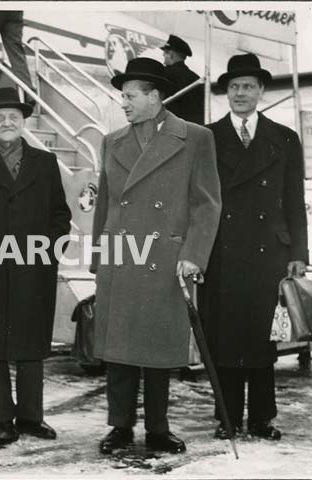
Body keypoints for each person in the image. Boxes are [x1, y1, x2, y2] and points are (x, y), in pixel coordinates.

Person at [90, 57, 221, 454]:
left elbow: (207, 204)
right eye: (122, 97)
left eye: (130, 96)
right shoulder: (112, 140)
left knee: (159, 350)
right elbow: (106, 203)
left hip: (165, 258)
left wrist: (194, 255)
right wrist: (99, 255)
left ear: (154, 96)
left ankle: (158, 429)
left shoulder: (195, 137)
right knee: (119, 351)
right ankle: (120, 427)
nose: (124, 104)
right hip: (121, 255)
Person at [199, 53, 308, 441]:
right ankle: (226, 417)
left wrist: (299, 253)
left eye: (248, 86)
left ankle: (262, 417)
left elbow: (295, 199)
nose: (240, 94)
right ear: (226, 93)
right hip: (220, 251)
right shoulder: (207, 137)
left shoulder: (284, 138)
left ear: (261, 90)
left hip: (269, 252)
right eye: (233, 88)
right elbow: (197, 200)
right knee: (224, 336)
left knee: (263, 337)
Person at [0, 87, 72, 445]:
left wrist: (49, 253)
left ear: (23, 122)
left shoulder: (44, 162)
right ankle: (1, 420)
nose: (6, 122)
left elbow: (60, 214)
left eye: (13, 117)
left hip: (33, 268)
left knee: (31, 344)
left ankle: (30, 417)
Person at [160, 34, 204, 125]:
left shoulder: (164, 74)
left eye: (165, 52)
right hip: (193, 130)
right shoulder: (196, 78)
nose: (163, 54)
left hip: (170, 129)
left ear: (171, 54)